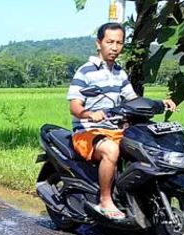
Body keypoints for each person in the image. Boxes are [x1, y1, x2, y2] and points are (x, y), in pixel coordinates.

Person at [68, 22, 177, 220]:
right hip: (87, 132)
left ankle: (139, 197)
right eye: (110, 42)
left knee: (144, 147)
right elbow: (74, 106)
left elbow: (133, 100)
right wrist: (89, 113)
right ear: (98, 43)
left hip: (114, 130)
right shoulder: (85, 72)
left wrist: (159, 103)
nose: (115, 47)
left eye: (119, 42)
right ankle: (105, 200)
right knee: (111, 150)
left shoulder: (120, 73)